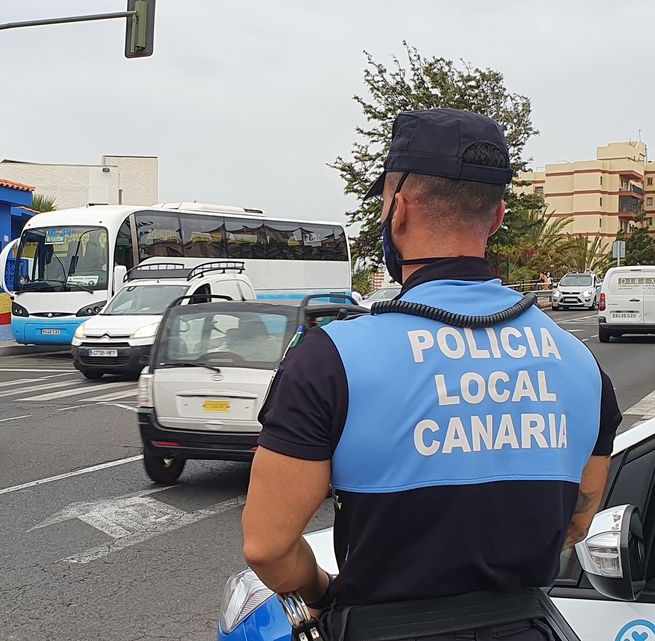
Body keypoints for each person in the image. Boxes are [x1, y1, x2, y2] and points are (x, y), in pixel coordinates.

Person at [241, 109, 622, 641]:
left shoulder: (331, 358)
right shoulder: (580, 362)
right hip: (527, 625)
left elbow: (267, 546)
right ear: (497, 218)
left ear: (397, 211)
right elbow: (579, 519)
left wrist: (323, 592)